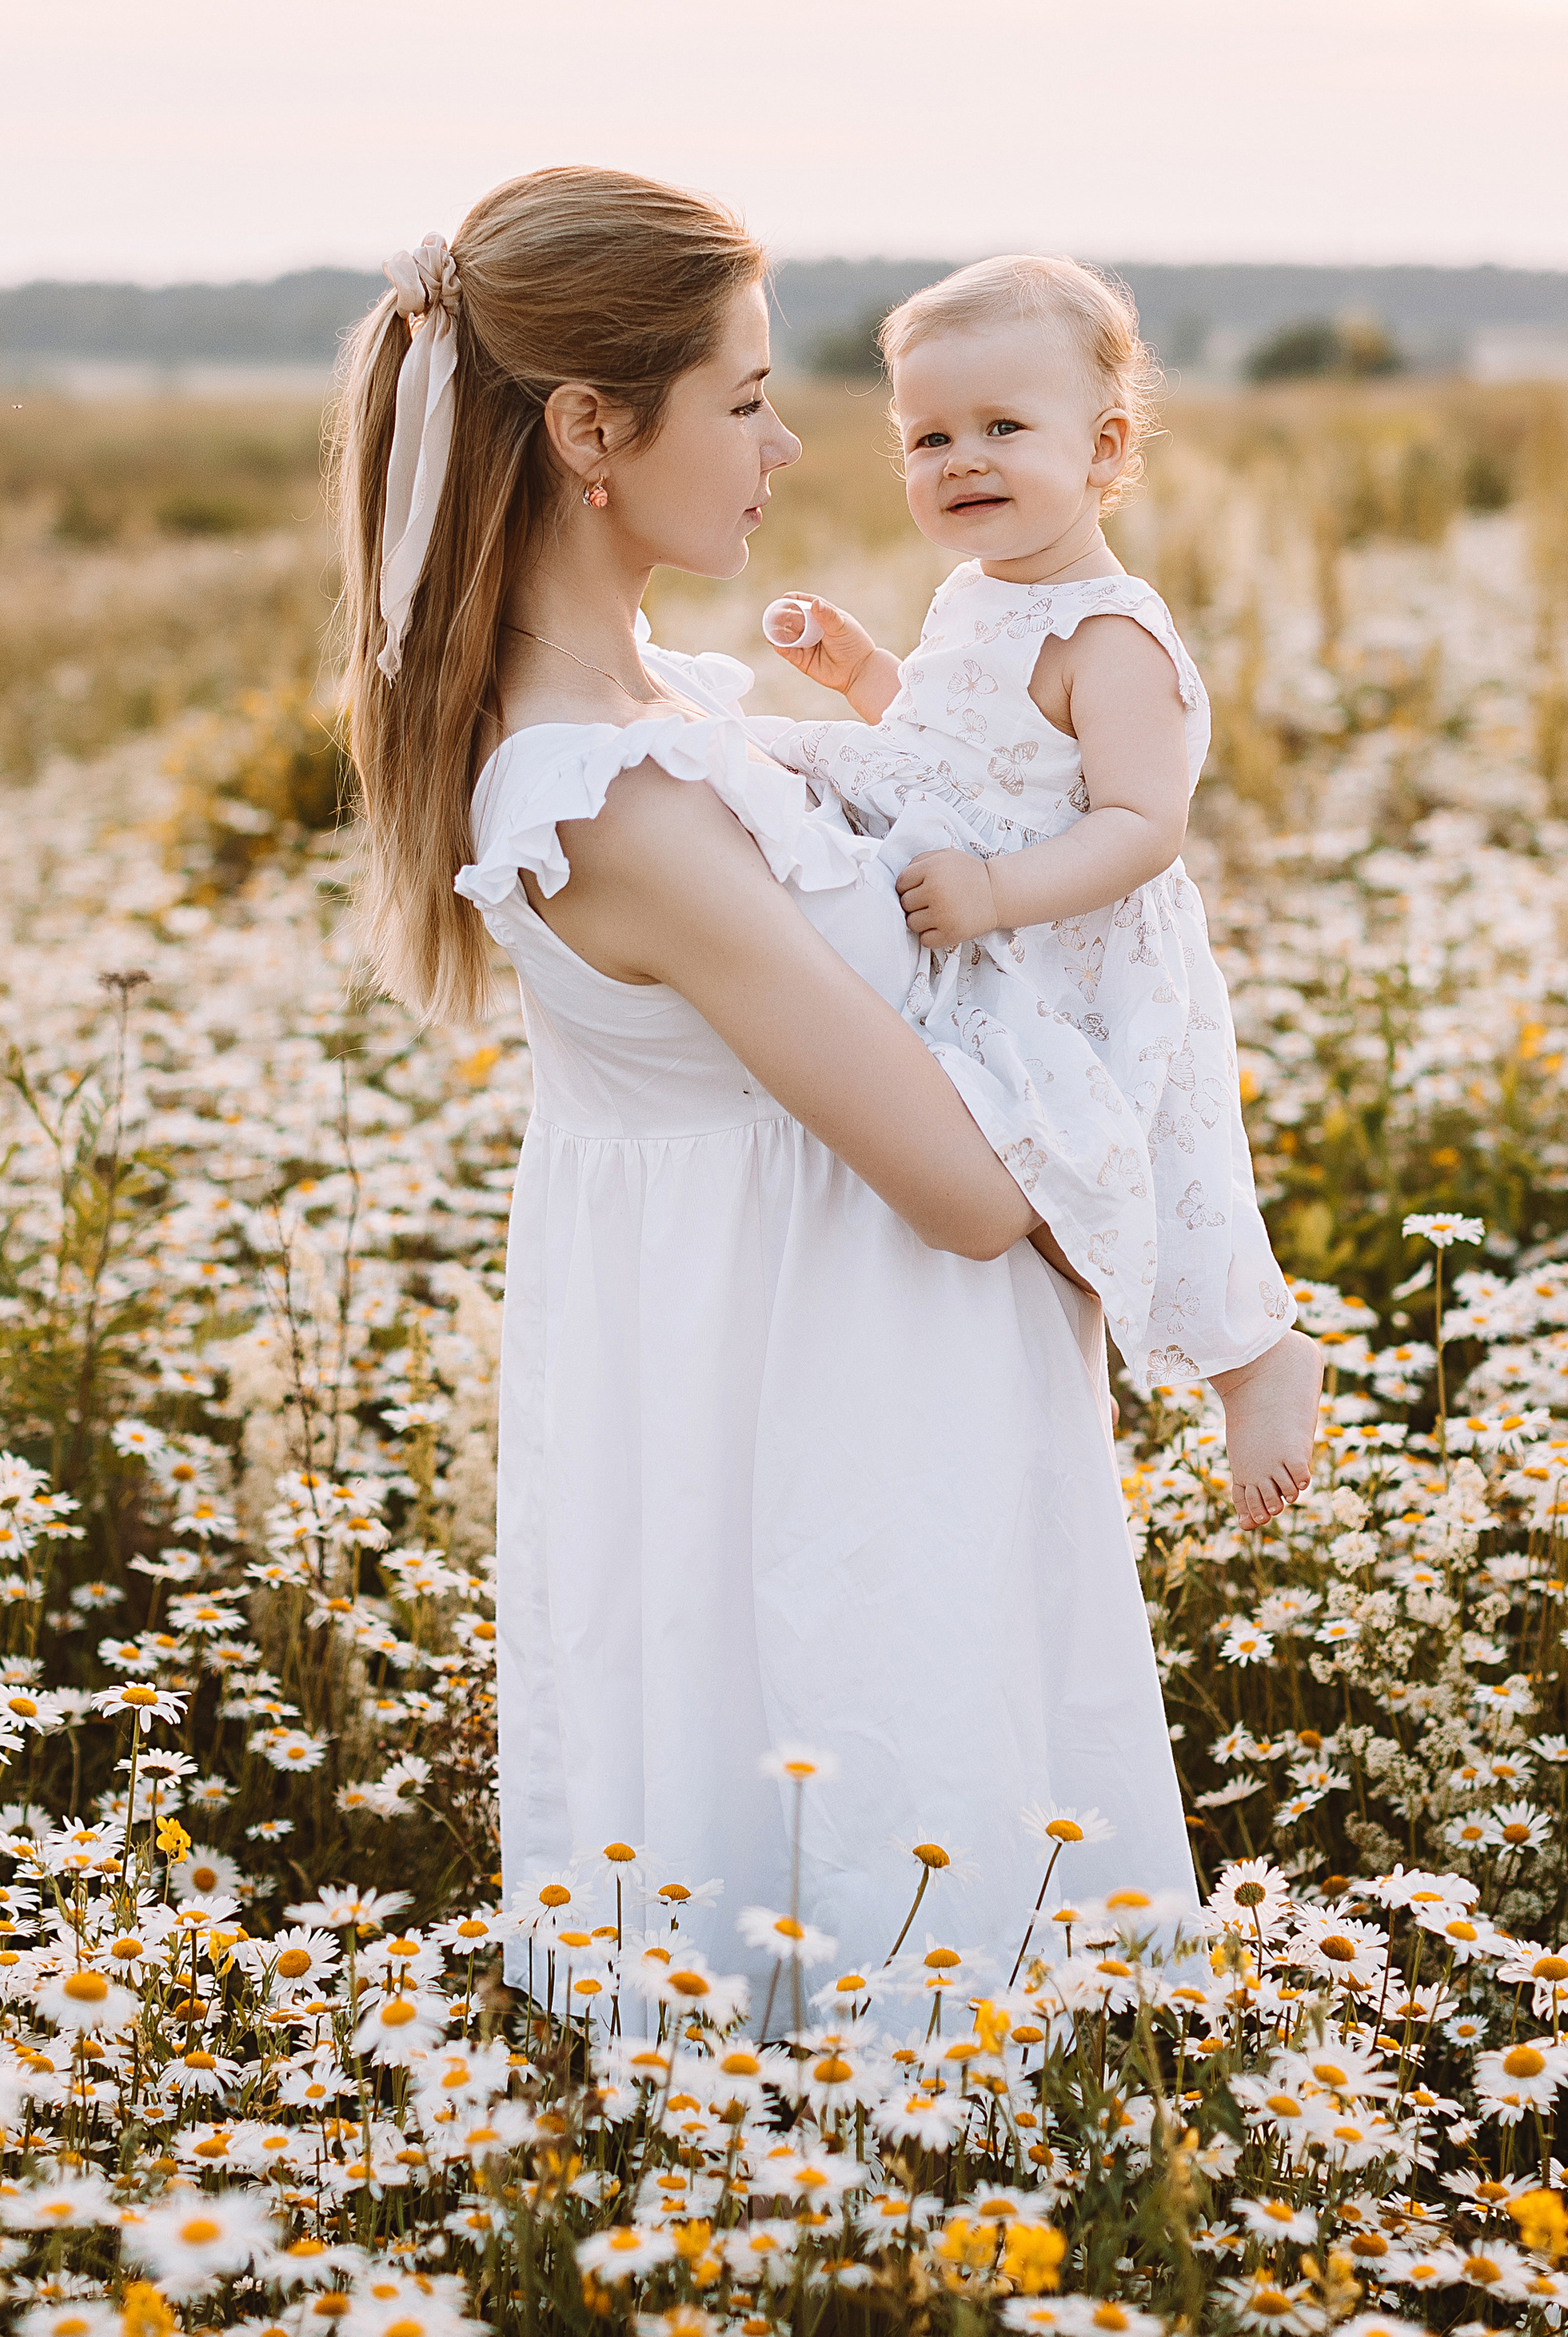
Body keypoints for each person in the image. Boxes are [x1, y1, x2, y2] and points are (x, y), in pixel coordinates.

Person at [329, 171, 1301, 2004]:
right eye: (750, 397)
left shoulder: (678, 713)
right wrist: (1127, 1103)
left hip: (853, 1379)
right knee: (870, 1912)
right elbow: (957, 1192)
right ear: (592, 433)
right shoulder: (606, 800)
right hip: (820, 1415)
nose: (787, 449)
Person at [756, 255, 1323, 1505]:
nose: (959, 460)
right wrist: (864, 679)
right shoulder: (976, 596)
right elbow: (962, 751)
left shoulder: (1109, 633)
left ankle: (1257, 1356)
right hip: (991, 914)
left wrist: (1002, 896)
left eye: (1003, 429)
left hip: (1084, 944)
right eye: (928, 437)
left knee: (1150, 1152)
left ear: (1105, 449)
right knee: (1049, 1174)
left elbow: (1140, 823)